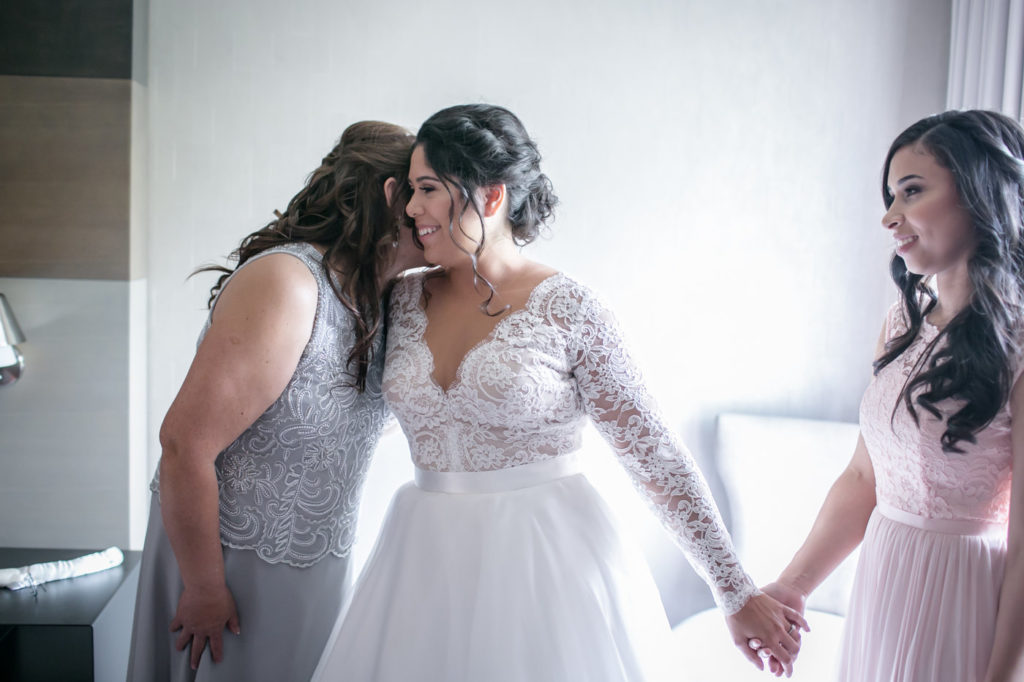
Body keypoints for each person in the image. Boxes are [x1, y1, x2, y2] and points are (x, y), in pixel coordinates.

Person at [313, 104, 806, 682]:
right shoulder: (399, 299)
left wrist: (734, 590)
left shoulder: (570, 307)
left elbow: (654, 455)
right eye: (410, 190)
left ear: (490, 197)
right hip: (421, 562)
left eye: (428, 189)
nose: (411, 207)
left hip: (543, 562)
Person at [126, 120, 425, 682]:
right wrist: (204, 587)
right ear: (393, 196)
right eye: (429, 191)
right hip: (226, 563)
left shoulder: (388, 298)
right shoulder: (290, 282)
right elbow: (183, 443)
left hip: (317, 562)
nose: (443, 211)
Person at [761, 110, 1024, 681]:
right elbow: (864, 478)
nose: (889, 216)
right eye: (890, 195)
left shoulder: (1019, 348)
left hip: (965, 600)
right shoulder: (903, 321)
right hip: (884, 584)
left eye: (912, 191)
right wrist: (793, 586)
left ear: (979, 194)